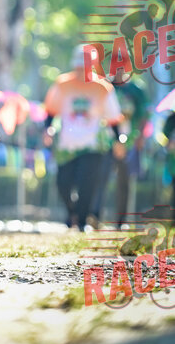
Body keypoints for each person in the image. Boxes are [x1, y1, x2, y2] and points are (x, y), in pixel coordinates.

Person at [44, 45, 123, 231]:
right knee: (63, 183)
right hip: (67, 145)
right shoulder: (62, 84)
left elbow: (113, 118)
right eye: (79, 67)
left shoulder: (103, 88)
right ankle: (72, 212)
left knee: (87, 186)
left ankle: (81, 223)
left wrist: (118, 140)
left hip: (92, 146)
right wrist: (47, 129)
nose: (81, 71)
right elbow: (50, 110)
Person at [90, 68, 149, 228]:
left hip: (128, 141)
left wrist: (140, 137)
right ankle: (94, 216)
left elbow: (144, 115)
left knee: (124, 181)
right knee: (101, 177)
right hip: (106, 140)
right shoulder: (105, 86)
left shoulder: (136, 90)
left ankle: (122, 221)